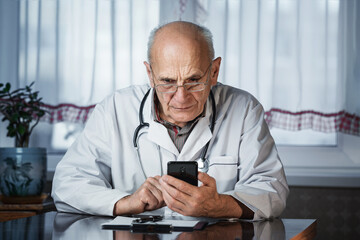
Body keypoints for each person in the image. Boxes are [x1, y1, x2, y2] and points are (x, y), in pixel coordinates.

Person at [52, 21, 289, 220]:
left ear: (214, 71)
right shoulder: (115, 109)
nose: (181, 97)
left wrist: (220, 204)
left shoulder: (244, 108)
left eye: (194, 80)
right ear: (150, 74)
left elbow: (272, 190)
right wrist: (126, 202)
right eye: (167, 82)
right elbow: (67, 185)